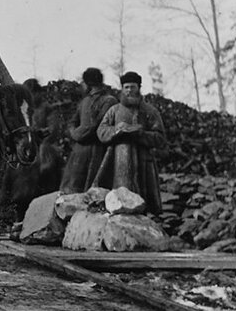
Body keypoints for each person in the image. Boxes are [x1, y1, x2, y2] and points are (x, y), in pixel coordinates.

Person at [94, 70, 167, 214]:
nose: (129, 91)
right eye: (126, 87)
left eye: (132, 87)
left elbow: (160, 137)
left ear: (139, 88)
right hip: (117, 160)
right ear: (122, 89)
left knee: (145, 202)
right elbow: (101, 131)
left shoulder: (150, 111)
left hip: (143, 160)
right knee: (117, 199)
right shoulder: (114, 111)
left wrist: (141, 134)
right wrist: (116, 130)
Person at [59, 67, 118, 195]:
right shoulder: (85, 101)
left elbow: (96, 126)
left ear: (89, 83)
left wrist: (76, 134)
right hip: (80, 152)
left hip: (98, 150)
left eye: (83, 82)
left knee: (94, 191)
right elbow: (72, 122)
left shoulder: (109, 101)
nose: (81, 85)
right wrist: (75, 133)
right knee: (73, 189)